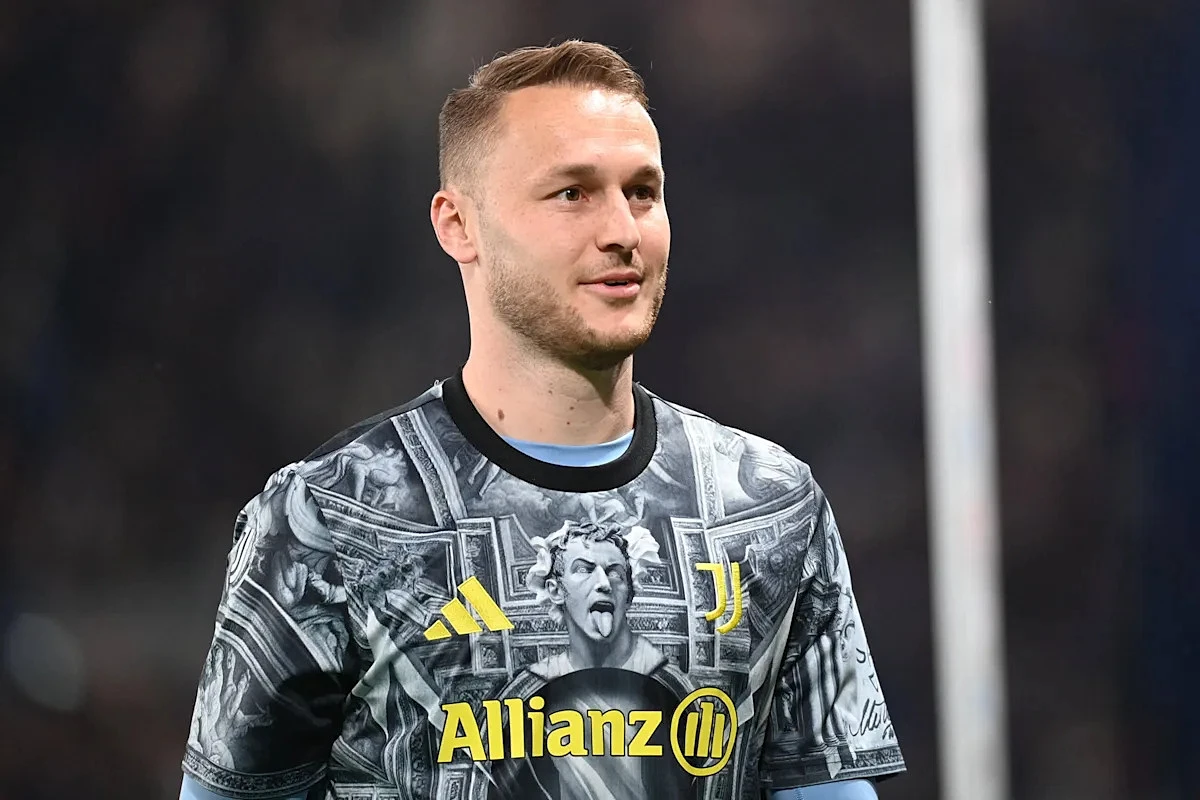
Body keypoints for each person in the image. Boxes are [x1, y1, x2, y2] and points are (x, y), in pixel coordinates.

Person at [180, 40, 904, 800]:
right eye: (572, 193)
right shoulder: (328, 520)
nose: (622, 229)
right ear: (458, 225)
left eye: (643, 191)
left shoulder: (772, 508)